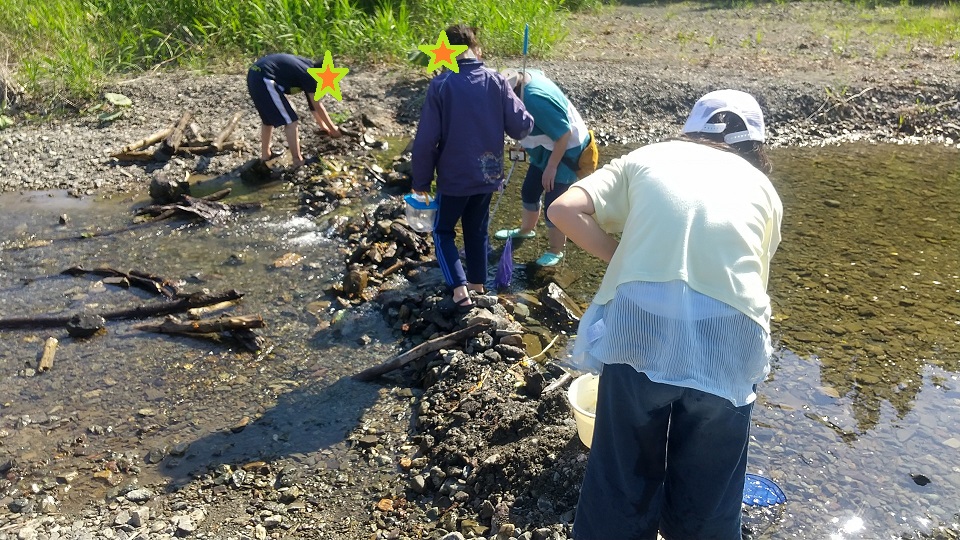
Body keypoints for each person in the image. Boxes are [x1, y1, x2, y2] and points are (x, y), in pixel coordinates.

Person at [548, 89, 782, 540]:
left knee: (621, 473)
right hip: (732, 334)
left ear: (690, 130)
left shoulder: (648, 157)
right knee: (711, 488)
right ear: (755, 145)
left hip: (642, 326)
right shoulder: (763, 188)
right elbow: (752, 275)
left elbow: (562, 210)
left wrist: (623, 258)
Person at [411, 24, 533, 309]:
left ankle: (460, 291)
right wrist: (520, 103)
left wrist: (420, 182)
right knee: (477, 229)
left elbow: (426, 141)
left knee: (442, 231)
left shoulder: (442, 84)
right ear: (474, 48)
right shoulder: (496, 80)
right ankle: (478, 285)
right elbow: (522, 126)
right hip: (489, 174)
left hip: (455, 177)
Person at [494, 68, 596, 267]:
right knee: (529, 190)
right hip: (547, 146)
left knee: (554, 205)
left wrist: (551, 166)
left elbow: (564, 134)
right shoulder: (526, 75)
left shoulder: (534, 100)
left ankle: (556, 249)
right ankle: (526, 230)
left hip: (566, 151)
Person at [247, 53, 342, 168]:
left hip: (254, 73)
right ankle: (297, 160)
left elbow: (313, 106)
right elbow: (318, 106)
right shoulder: (311, 76)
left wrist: (324, 127)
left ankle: (265, 155)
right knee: (291, 121)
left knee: (268, 119)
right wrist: (333, 130)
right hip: (265, 78)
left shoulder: (309, 69)